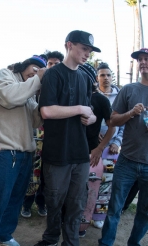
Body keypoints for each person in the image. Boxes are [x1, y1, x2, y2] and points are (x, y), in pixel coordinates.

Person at [0, 54, 47, 246]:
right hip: (5, 151)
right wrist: (38, 80)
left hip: (26, 153)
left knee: (16, 199)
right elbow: (10, 97)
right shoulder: (5, 75)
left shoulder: (28, 91)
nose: (35, 74)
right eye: (34, 70)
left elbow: (37, 121)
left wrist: (44, 95)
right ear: (24, 65)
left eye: (39, 72)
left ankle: (4, 235)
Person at [34, 30, 98, 246]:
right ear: (69, 45)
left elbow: (91, 110)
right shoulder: (53, 74)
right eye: (84, 48)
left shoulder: (85, 77)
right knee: (54, 201)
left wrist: (91, 117)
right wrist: (80, 108)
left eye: (90, 50)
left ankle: (70, 242)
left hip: (80, 153)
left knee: (76, 204)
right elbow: (47, 112)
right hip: (57, 152)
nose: (87, 54)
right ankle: (51, 238)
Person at [98, 48, 148, 246]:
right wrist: (130, 114)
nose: (143, 62)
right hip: (126, 161)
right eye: (140, 60)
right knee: (114, 208)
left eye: (146, 59)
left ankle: (133, 243)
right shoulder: (129, 90)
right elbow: (113, 120)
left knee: (145, 212)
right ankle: (106, 243)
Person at [21, 50, 65, 218]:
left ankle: (41, 203)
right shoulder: (34, 82)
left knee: (47, 175)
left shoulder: (60, 86)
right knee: (33, 172)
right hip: (33, 136)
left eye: (56, 64)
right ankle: (26, 205)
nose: (53, 67)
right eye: (50, 64)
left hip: (53, 138)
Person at [77, 63, 116, 237]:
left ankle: (82, 226)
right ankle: (69, 223)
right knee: (71, 193)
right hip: (69, 154)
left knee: (92, 192)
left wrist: (100, 147)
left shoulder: (100, 99)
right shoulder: (70, 96)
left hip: (92, 153)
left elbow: (112, 126)